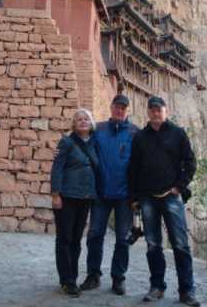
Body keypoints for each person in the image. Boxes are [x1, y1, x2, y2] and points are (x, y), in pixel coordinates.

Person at [129, 96, 200, 307]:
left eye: (158, 109)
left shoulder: (178, 133)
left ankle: (187, 290)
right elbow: (133, 168)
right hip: (148, 198)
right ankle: (157, 286)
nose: (155, 113)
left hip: (171, 197)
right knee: (152, 245)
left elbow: (190, 162)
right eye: (152, 109)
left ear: (165, 111)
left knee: (180, 245)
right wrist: (134, 198)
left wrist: (179, 186)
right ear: (148, 112)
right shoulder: (140, 137)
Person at [80, 94, 139, 295]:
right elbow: (82, 145)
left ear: (127, 110)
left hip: (124, 195)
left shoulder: (134, 133)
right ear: (111, 107)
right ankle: (93, 275)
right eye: (117, 107)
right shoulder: (100, 130)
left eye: (123, 108)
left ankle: (118, 278)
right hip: (101, 192)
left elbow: (142, 162)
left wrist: (138, 196)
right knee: (95, 234)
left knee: (122, 238)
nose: (119, 110)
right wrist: (62, 151)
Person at [50, 108, 99, 297]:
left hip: (85, 198)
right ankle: (66, 280)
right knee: (64, 239)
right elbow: (57, 169)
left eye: (86, 118)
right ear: (74, 123)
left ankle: (73, 276)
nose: (83, 121)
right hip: (67, 197)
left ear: (92, 122)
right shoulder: (67, 142)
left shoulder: (95, 142)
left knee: (77, 240)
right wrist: (56, 194)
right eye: (79, 119)